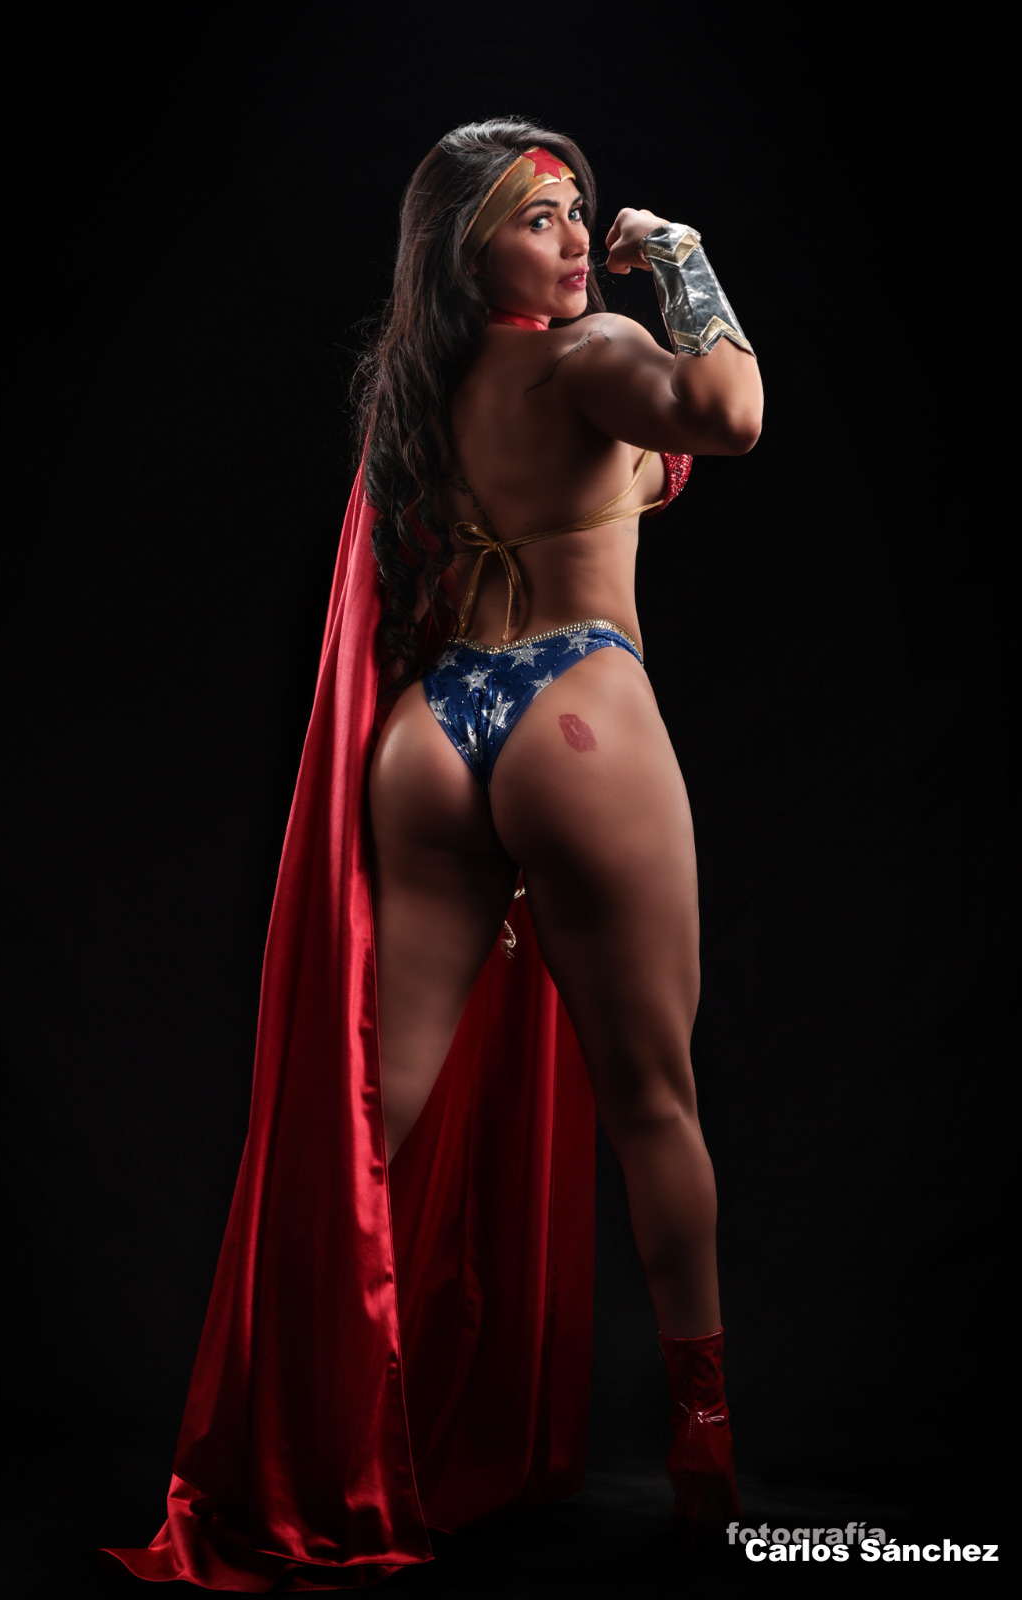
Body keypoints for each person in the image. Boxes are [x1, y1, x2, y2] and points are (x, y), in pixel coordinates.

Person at [104, 118, 762, 1591]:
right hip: (574, 714)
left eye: (579, 210)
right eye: (537, 218)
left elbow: (571, 497)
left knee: (361, 1117)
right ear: (472, 254)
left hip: (431, 736)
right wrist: (683, 260)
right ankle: (707, 1441)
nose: (575, 237)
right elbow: (727, 414)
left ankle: (272, 1448)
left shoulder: (425, 393)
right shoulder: (590, 351)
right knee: (655, 1100)